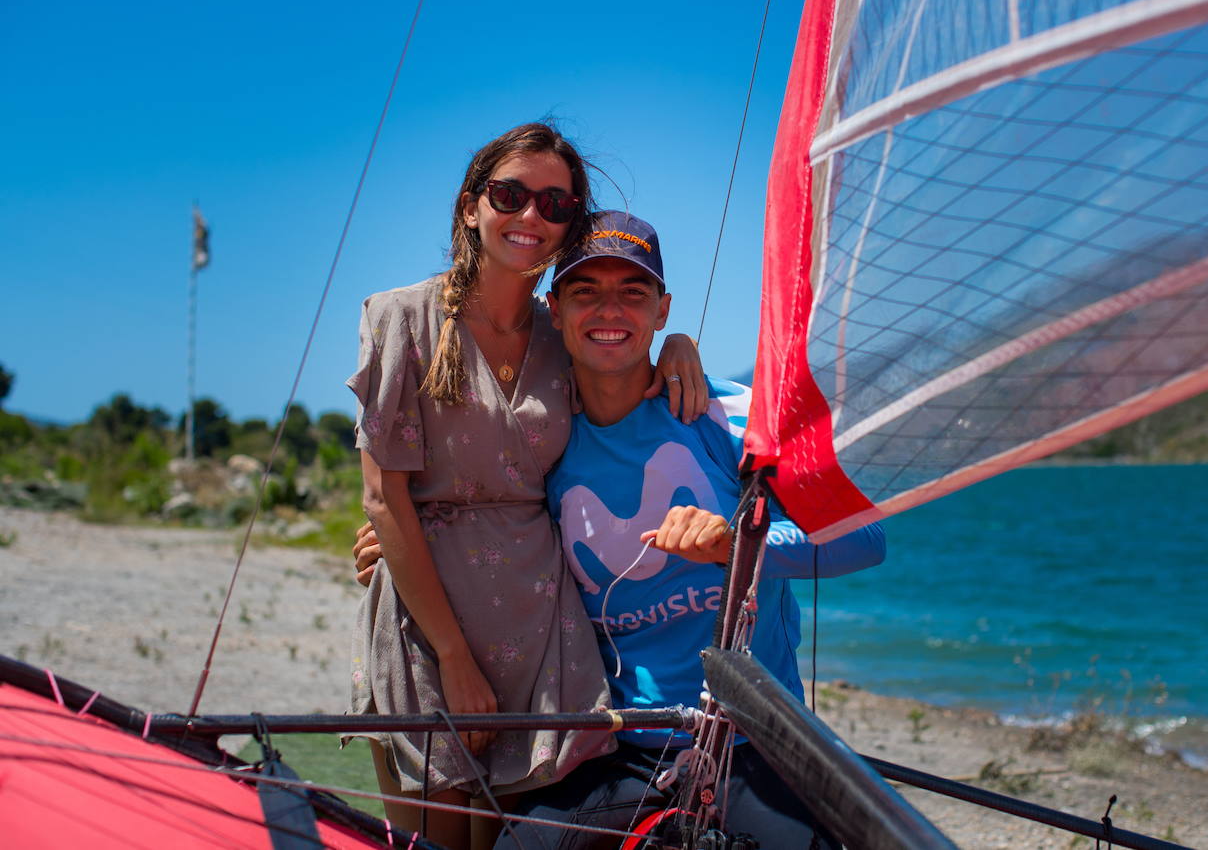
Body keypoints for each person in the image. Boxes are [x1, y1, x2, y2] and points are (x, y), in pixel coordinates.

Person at [357, 211, 885, 848]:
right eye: (586, 291)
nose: (610, 310)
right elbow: (479, 518)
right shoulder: (544, 444)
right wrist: (396, 545)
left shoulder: (726, 413)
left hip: (752, 741)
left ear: (662, 311)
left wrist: (738, 544)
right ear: (554, 309)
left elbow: (864, 538)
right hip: (620, 748)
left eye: (633, 293)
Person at [346, 124, 706, 850]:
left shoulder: (559, 332)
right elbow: (385, 500)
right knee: (432, 838)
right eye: (511, 196)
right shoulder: (403, 317)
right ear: (471, 206)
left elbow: (625, 361)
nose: (532, 218)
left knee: (518, 841)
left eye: (556, 204)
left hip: (543, 627)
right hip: (433, 622)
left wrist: (680, 344)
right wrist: (451, 655)